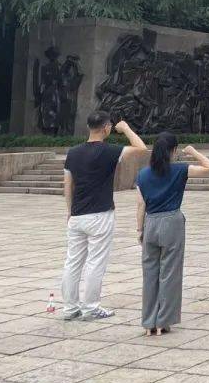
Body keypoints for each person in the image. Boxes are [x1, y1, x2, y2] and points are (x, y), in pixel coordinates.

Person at [61, 112, 147, 321]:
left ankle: (70, 307)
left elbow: (67, 185)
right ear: (107, 127)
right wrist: (126, 129)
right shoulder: (109, 151)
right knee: (95, 262)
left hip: (77, 215)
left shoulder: (73, 152)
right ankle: (91, 307)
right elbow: (141, 148)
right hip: (100, 214)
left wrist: (69, 211)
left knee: (73, 262)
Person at [135, 134, 209, 335]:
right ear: (172, 151)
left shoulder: (143, 174)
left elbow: (140, 205)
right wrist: (193, 152)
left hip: (151, 222)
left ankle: (148, 322)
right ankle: (164, 320)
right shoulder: (179, 170)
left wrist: (140, 229)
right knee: (170, 272)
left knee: (150, 273)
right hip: (172, 221)